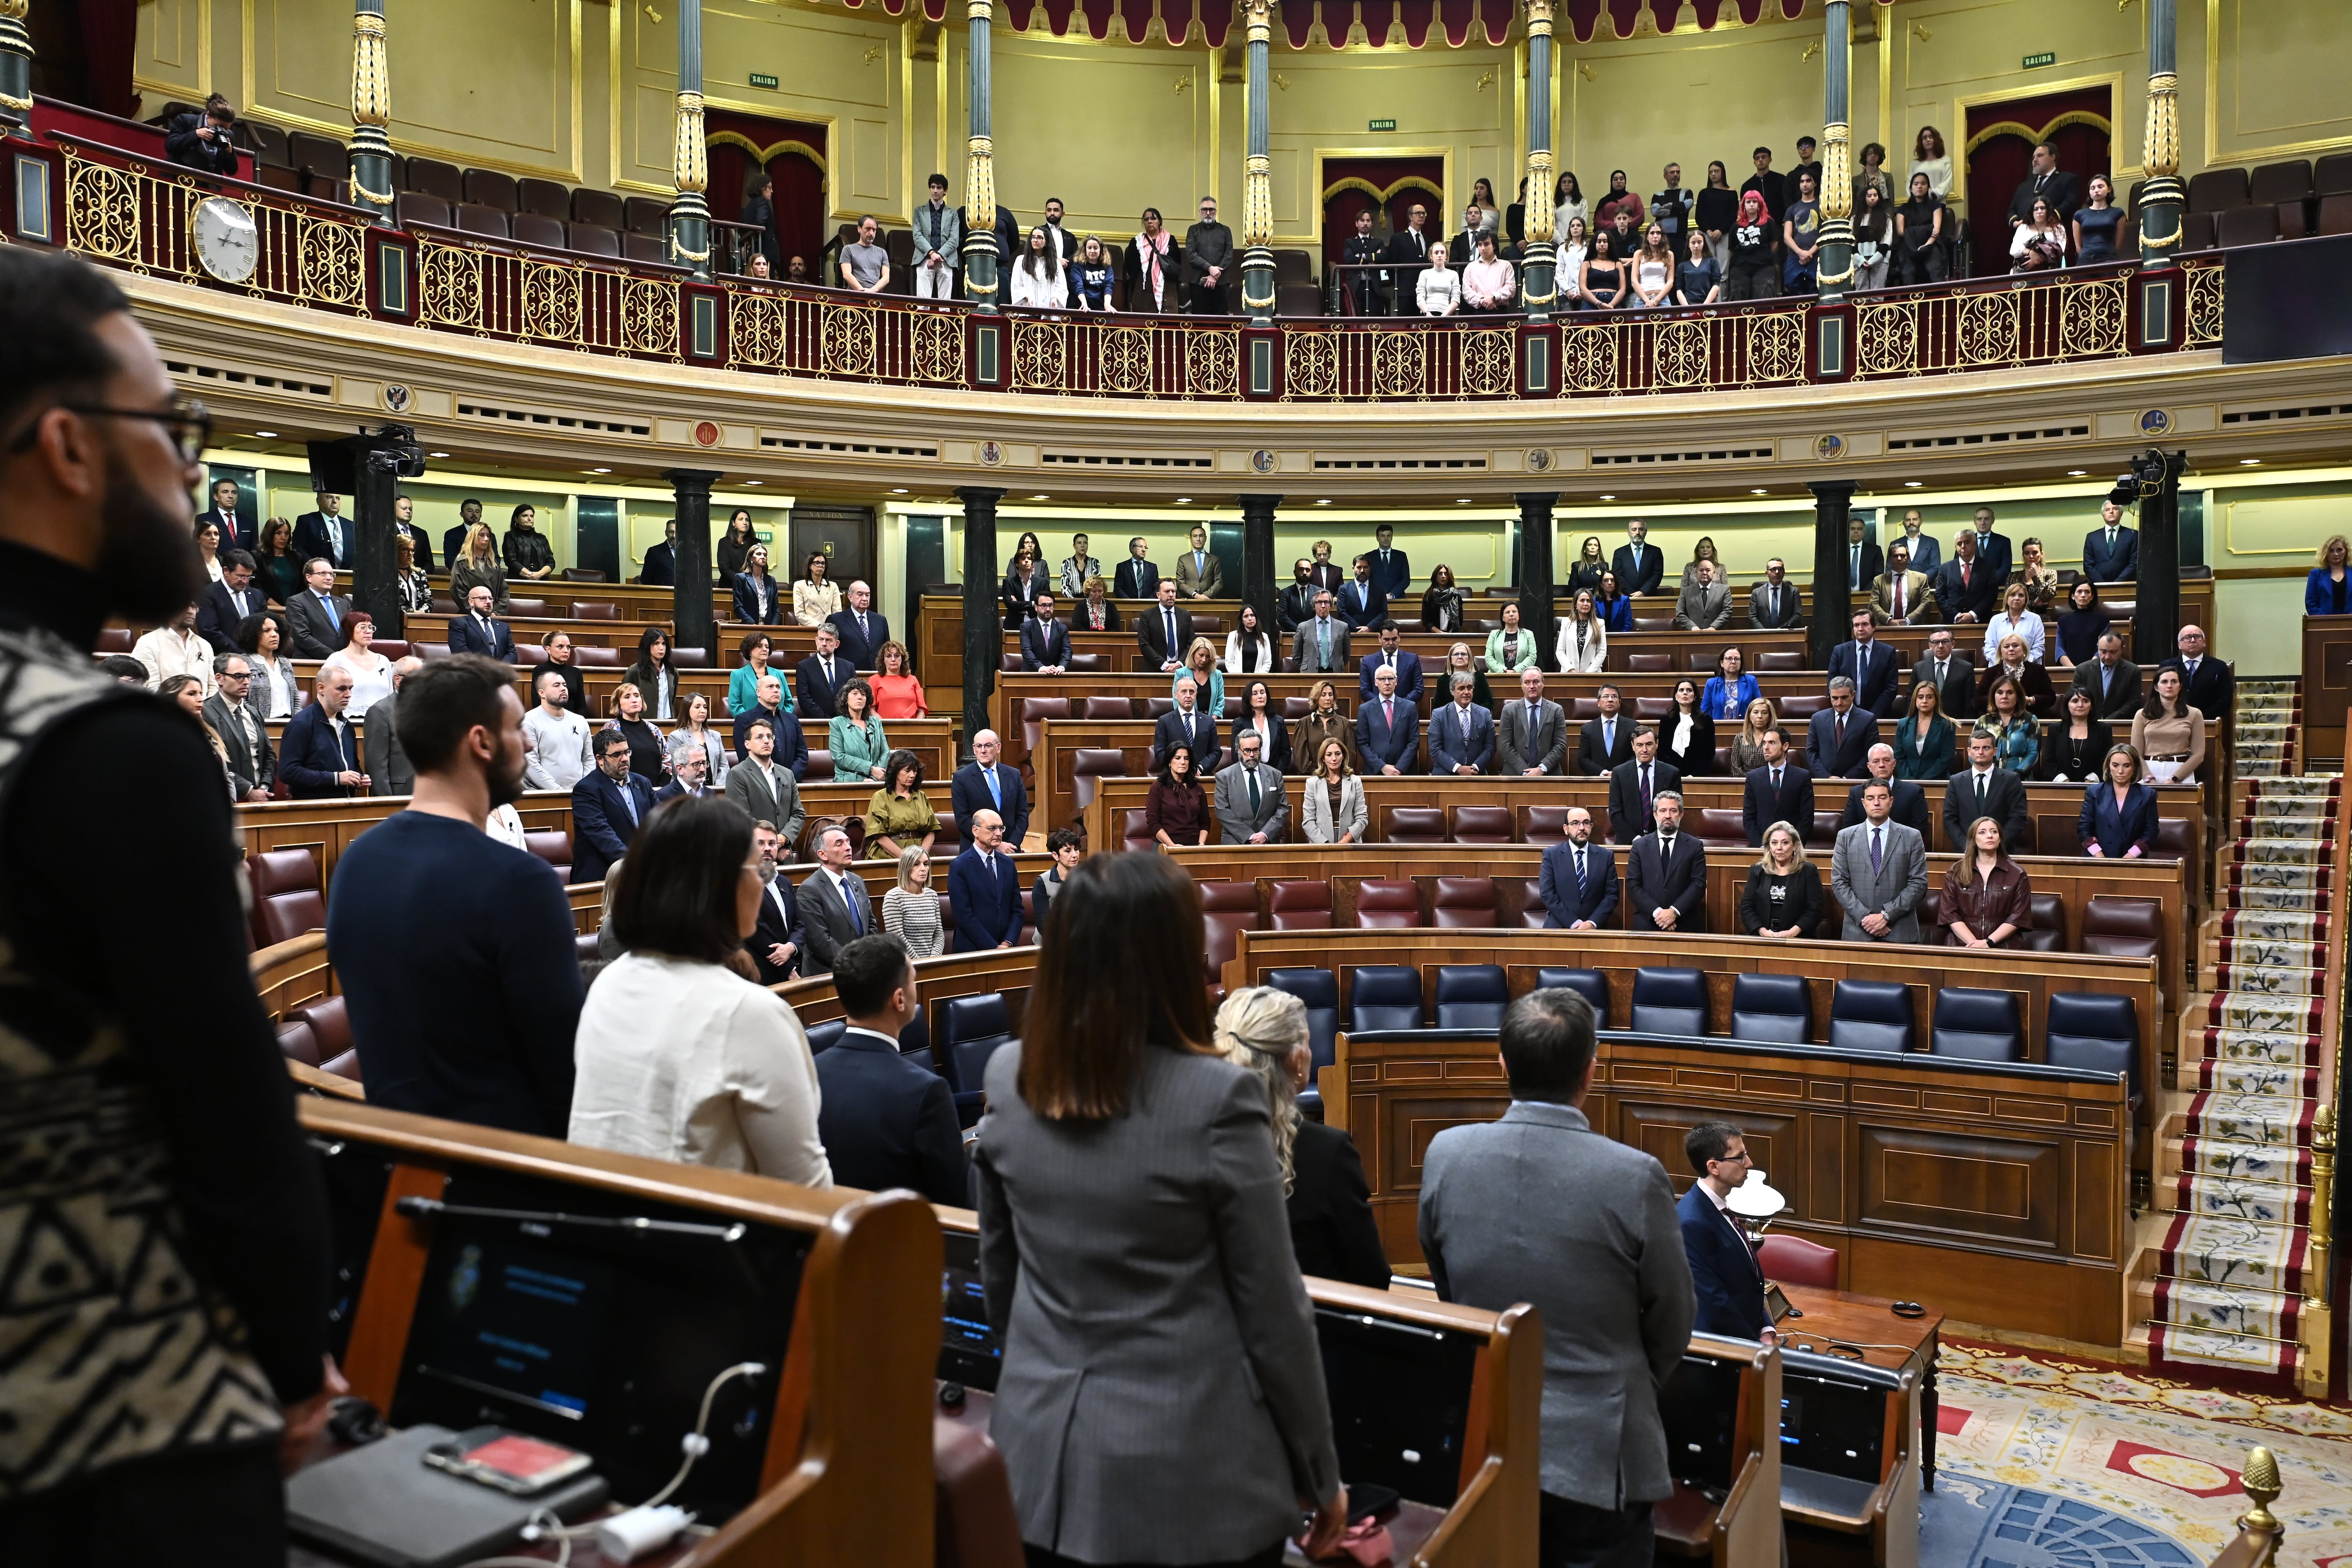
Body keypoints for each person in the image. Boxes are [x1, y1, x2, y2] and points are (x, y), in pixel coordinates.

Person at [0, 249, 347, 1566]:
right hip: (113, 1441)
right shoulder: (112, 748)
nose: (194, 475)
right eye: (173, 428)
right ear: (69, 446)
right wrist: (291, 1351)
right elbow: (230, 1121)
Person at [976, 854, 1346, 1565]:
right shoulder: (1219, 1100)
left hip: (1039, 1465)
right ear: (1178, 959)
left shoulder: (1009, 1077)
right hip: (1191, 1479)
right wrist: (1321, 1471)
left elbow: (1003, 1282)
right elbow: (1273, 1311)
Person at [1418, 987, 1693, 1568]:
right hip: (1600, 1452)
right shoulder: (1635, 1176)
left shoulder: (1445, 1153)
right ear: (1592, 1071)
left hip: (1484, 1437)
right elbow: (1674, 1318)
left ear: (1501, 1063)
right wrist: (1625, 1379)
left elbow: (1446, 1286)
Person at [329, 650, 583, 1130]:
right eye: (515, 729)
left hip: (398, 1163)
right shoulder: (519, 882)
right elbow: (564, 1071)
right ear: (482, 742)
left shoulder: (356, 862)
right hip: (506, 1174)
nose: (527, 744)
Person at [569, 793, 831, 1183]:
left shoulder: (608, 984)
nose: (763, 883)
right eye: (757, 870)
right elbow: (805, 1186)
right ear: (721, 885)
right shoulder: (750, 1013)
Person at [1214, 987, 1389, 1291]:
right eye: (1308, 1042)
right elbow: (1371, 1278)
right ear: (1297, 1059)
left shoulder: (1186, 1138)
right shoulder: (1327, 1153)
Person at [814, 934, 968, 1206]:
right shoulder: (926, 1091)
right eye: (913, 981)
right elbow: (954, 1202)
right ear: (900, 1000)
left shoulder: (811, 1072)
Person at [1678, 1122, 1771, 1338]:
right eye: (1740, 1157)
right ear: (1714, 1167)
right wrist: (1756, 1346)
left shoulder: (1720, 1208)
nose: (1749, 1163)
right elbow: (1715, 1302)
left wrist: (1766, 1328)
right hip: (1724, 1353)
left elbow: (1748, 1283)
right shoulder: (1691, 1222)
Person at [1831, 779, 1929, 942]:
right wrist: (1865, 918)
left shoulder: (1912, 837)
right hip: (1858, 932)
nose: (1876, 803)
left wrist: (1887, 916)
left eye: (1882, 798)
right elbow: (1839, 882)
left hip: (1900, 931)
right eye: (1870, 798)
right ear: (1863, 803)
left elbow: (1918, 883)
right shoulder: (1845, 837)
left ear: (1891, 801)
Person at [571, 727, 658, 884]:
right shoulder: (587, 790)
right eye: (616, 755)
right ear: (600, 759)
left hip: (640, 872)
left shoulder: (642, 783)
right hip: (603, 876)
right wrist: (637, 862)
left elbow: (660, 821)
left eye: (627, 752)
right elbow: (602, 834)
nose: (624, 759)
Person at [797, 824, 878, 975]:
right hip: (828, 974)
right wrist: (854, 964)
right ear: (823, 855)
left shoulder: (857, 881)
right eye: (839, 844)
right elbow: (820, 941)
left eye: (848, 842)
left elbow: (871, 924)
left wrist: (868, 958)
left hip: (862, 972)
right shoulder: (810, 889)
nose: (848, 847)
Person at [1939, 815, 2031, 948]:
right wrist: (1974, 944)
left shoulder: (2017, 874)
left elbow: (2017, 916)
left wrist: (1988, 942)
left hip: (2003, 947)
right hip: (1963, 946)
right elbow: (1950, 914)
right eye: (1982, 832)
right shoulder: (1956, 872)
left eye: (1994, 832)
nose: (1990, 836)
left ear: (2000, 839)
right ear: (1973, 839)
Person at [280, 663, 367, 798]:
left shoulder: (347, 725)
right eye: (342, 689)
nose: (349, 695)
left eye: (351, 689)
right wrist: (336, 778)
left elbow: (353, 766)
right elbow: (289, 772)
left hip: (347, 807)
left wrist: (359, 778)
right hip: (314, 809)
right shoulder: (301, 724)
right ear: (321, 688)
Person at [1628, 792, 1706, 933]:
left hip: (1684, 923)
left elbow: (1698, 884)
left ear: (1681, 814)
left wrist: (1674, 912)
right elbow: (1633, 885)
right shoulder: (1640, 846)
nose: (1668, 816)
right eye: (1663, 810)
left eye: (1673, 811)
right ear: (1655, 814)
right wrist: (1659, 914)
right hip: (1648, 922)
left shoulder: (1694, 846)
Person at [949, 808, 1024, 951]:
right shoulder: (960, 866)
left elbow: (1017, 910)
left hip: (1006, 950)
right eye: (992, 828)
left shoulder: (1008, 864)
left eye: (1001, 828)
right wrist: (993, 948)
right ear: (975, 831)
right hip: (972, 951)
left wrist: (1007, 943)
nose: (998, 834)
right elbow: (963, 915)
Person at [726, 714, 805, 846]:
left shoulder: (787, 774)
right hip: (755, 852)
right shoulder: (737, 774)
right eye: (760, 737)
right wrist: (770, 843)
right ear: (747, 744)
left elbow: (798, 813)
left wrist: (784, 839)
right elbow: (740, 818)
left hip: (785, 851)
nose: (766, 741)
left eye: (770, 737)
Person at [1945, 730, 2031, 852]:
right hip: (1965, 853)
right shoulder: (1956, 781)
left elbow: (2018, 818)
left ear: (1995, 751)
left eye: (1986, 748)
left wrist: (1997, 844)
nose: (1980, 752)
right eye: (1976, 748)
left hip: (2002, 852)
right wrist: (1968, 847)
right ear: (1969, 752)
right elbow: (1950, 819)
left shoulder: (2011, 780)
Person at [205, 653, 274, 801]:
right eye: (239, 676)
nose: (246, 682)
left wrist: (264, 786)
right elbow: (213, 762)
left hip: (262, 795)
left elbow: (269, 755)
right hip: (226, 797)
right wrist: (247, 790)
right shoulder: (206, 712)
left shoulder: (253, 712)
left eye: (249, 676)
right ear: (219, 679)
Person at [1535, 806, 1616, 930]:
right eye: (1575, 823)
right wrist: (1574, 923)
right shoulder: (1552, 855)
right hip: (1559, 930)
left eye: (1586, 823)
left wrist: (1592, 923)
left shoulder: (1606, 856)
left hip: (1596, 931)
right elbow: (1547, 894)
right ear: (1566, 829)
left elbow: (1612, 895)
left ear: (1591, 827)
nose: (1582, 828)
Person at [1739, 821, 1822, 938]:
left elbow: (1815, 910)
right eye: (1774, 843)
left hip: (1798, 939)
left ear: (1795, 845)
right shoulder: (1757, 871)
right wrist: (1762, 931)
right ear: (1769, 847)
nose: (1779, 848)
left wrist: (1793, 932)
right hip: (1762, 938)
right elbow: (1747, 907)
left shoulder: (1808, 871)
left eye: (1785, 843)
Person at [951, 728, 1031, 847]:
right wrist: (996, 845)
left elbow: (1022, 814)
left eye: (988, 746)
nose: (983, 751)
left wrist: (1012, 844)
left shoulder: (1013, 775)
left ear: (998, 747)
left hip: (1010, 850)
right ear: (974, 749)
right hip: (977, 851)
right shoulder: (961, 778)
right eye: (979, 746)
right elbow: (963, 819)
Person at [524, 669, 596, 794]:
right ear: (542, 693)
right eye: (556, 685)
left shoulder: (580, 721)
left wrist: (582, 789)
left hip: (581, 794)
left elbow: (589, 760)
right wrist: (558, 791)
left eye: (565, 685)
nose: (563, 689)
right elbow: (531, 764)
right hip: (545, 795)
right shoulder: (529, 722)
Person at [2081, 742, 2159, 858]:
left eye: (2126, 766)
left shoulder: (2148, 795)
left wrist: (2131, 855)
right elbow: (2084, 829)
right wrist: (2099, 856)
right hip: (2097, 859)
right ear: (2109, 767)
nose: (2120, 771)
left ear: (2135, 768)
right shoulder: (2094, 792)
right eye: (2115, 765)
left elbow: (2151, 832)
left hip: (2132, 861)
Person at [2131, 665, 2207, 784]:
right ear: (2156, 687)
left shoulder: (2194, 714)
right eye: (2164, 682)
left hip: (2182, 771)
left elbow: (2198, 754)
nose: (2169, 686)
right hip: (2149, 771)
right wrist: (2148, 778)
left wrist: (2176, 778)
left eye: (2174, 682)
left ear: (2180, 686)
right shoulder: (2142, 715)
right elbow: (2135, 752)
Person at [1215, 729, 1289, 845]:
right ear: (1238, 751)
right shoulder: (1224, 777)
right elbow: (1222, 811)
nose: (1252, 755)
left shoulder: (1275, 775)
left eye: (1256, 750)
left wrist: (1265, 834)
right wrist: (1249, 836)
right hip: (1235, 842)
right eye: (1247, 751)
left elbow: (1282, 808)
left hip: (1268, 842)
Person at [1741, 728, 1813, 848]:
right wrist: (1761, 846)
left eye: (1772, 743)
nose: (1766, 748)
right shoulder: (1753, 777)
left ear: (1785, 746)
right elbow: (1749, 818)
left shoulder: (1802, 777)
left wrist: (1793, 844)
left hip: (1792, 849)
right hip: (1761, 848)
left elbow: (1807, 818)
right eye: (1764, 743)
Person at [1609, 728, 1679, 846]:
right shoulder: (1619, 773)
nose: (1644, 750)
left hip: (1661, 842)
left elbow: (1674, 810)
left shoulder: (1671, 773)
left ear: (1657, 744)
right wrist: (1636, 839)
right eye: (1640, 745)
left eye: (1649, 744)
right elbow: (1615, 813)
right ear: (1633, 746)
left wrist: (1655, 840)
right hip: (1628, 842)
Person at [865, 749, 938, 860]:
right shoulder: (881, 797)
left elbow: (932, 830)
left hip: (920, 854)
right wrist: (905, 858)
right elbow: (878, 835)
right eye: (907, 771)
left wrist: (922, 855)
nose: (912, 775)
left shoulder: (921, 796)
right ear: (896, 772)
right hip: (889, 856)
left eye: (915, 771)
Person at [366, 655, 422, 796]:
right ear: (398, 680)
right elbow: (377, 766)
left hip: (429, 796)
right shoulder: (380, 711)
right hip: (398, 794)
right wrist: (385, 804)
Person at [1828, 609, 1899, 715]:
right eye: (1856, 625)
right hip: (1847, 714)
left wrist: (1872, 715)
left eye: (1865, 624)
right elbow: (1832, 683)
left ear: (1874, 627)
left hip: (1878, 715)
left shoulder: (1888, 652)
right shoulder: (1840, 652)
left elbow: (1891, 689)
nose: (1860, 629)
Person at [881, 844, 944, 959]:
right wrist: (919, 963)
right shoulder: (894, 897)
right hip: (906, 965)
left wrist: (933, 960)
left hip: (933, 964)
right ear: (906, 867)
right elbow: (897, 939)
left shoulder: (932, 895)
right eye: (916, 864)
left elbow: (939, 934)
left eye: (926, 864)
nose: (923, 869)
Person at [2040, 687, 2114, 784]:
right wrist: (2063, 780)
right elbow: (2048, 762)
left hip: (2096, 786)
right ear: (2067, 705)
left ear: (2091, 705)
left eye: (2085, 701)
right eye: (2075, 701)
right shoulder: (2055, 729)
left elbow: (2107, 760)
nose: (2080, 705)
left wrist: (2092, 779)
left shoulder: (2104, 730)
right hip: (2061, 787)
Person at [236, 609, 302, 719]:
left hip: (289, 724)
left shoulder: (285, 663)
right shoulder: (243, 663)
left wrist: (298, 722)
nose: (274, 635)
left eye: (276, 630)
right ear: (252, 635)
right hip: (257, 724)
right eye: (267, 631)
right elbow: (241, 700)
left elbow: (295, 699)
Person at [1355, 662, 1417, 777]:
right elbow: (1362, 743)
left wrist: (1400, 768)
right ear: (1376, 682)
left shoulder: (1410, 707)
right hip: (1376, 773)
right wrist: (1382, 767)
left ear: (1396, 682)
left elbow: (1414, 741)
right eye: (1382, 679)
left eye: (1390, 679)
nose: (1387, 683)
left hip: (1405, 773)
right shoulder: (1365, 709)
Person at [1808, 676, 1876, 779]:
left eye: (1844, 698)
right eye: (1835, 698)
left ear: (1853, 695)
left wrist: (1847, 778)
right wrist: (1827, 777)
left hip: (1856, 782)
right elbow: (1811, 752)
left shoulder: (1867, 719)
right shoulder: (1818, 719)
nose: (1839, 703)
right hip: (1823, 781)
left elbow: (1870, 754)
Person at [281, 554, 349, 659]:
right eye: (323, 574)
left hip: (344, 663)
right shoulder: (297, 602)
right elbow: (302, 636)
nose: (329, 578)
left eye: (331, 574)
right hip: (312, 662)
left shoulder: (344, 603)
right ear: (309, 577)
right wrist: (334, 657)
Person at [1428, 671, 1495, 776]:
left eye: (1470, 688)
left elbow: (1490, 747)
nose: (1467, 692)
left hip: (1477, 774)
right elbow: (1435, 749)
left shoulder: (1485, 714)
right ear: (1452, 691)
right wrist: (1458, 768)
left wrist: (1475, 767)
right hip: (1446, 774)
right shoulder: (1439, 714)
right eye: (1461, 688)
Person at [2161, 623, 2232, 720]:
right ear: (2179, 645)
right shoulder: (2167, 666)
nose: (2193, 640)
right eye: (2187, 638)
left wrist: (2201, 717)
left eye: (2197, 637)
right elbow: (2159, 694)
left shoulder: (2219, 667)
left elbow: (2225, 699)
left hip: (2208, 721)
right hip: (2173, 720)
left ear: (2204, 642)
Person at [1145, 742, 1209, 849]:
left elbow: (1205, 822)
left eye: (1186, 758)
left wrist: (1201, 845)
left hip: (1194, 849)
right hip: (1165, 847)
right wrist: (1173, 847)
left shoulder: (1198, 788)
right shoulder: (1158, 787)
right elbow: (1153, 822)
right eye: (1178, 758)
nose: (1183, 762)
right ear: (1169, 762)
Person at [2007, 141, 2082, 232]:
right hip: (2023, 235)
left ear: (2052, 157)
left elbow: (2070, 204)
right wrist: (2015, 222)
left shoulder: (2067, 179)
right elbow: (2012, 211)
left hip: (2052, 234)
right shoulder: (2023, 187)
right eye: (2034, 157)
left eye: (2040, 156)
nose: (2035, 160)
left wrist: (2048, 216)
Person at [1293, 680, 1359, 780]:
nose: (1328, 698)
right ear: (1316, 698)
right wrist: (1320, 775)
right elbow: (1301, 760)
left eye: (1331, 695)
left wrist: (1337, 775)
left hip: (1340, 779)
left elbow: (1351, 756)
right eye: (1323, 695)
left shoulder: (1345, 724)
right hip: (1312, 779)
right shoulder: (1304, 724)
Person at [1977, 673, 2042, 774]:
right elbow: (1975, 752)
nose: (2004, 697)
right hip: (1989, 777)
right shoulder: (1983, 722)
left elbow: (2033, 753)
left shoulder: (2030, 720)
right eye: (2000, 693)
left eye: (2010, 693)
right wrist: (1987, 773)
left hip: (2020, 778)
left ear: (2018, 697)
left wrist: (2016, 774)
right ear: (1994, 696)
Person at [912, 172, 962, 300]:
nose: (935, 191)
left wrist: (938, 255)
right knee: (923, 302)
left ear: (945, 191)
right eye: (933, 187)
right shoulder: (919, 211)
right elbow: (918, 236)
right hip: (924, 258)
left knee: (945, 305)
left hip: (946, 260)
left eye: (939, 188)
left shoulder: (953, 214)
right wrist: (931, 253)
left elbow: (954, 240)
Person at [1908, 627, 1977, 719]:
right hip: (1926, 720)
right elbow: (1911, 698)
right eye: (1936, 642)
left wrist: (1966, 726)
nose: (1940, 646)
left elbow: (1970, 702)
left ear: (1952, 644)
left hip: (1954, 722)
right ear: (1930, 646)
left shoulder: (1966, 668)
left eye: (1945, 642)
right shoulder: (1919, 668)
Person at [1894, 679, 1957, 780]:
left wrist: (1925, 781)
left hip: (1937, 781)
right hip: (1907, 781)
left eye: (1929, 697)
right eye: (1920, 697)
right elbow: (1899, 756)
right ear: (1915, 700)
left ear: (1936, 700)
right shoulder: (1903, 724)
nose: (1924, 701)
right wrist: (1909, 780)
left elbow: (1946, 758)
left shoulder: (1947, 725)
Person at [670, 690, 732, 789]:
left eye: (705, 707)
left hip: (714, 790)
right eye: (697, 707)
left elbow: (724, 766)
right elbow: (678, 769)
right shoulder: (677, 737)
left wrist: (718, 788)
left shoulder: (715, 736)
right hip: (688, 791)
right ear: (687, 710)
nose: (703, 711)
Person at [609, 681, 667, 783]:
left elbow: (666, 758)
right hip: (624, 789)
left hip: (655, 789)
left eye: (637, 696)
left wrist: (662, 786)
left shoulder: (653, 729)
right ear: (618, 704)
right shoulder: (612, 728)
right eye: (627, 697)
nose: (634, 700)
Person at [1894, 171, 1947, 285]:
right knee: (1908, 272)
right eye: (1916, 184)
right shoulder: (1903, 209)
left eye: (1923, 184)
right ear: (1911, 188)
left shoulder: (1936, 206)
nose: (1919, 187)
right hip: (1909, 245)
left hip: (1931, 244)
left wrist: (1928, 244)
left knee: (1935, 269)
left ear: (1928, 187)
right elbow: (1901, 232)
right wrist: (1926, 230)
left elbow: (1936, 229)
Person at [1724, 191, 1777, 300]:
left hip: (1763, 265)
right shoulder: (1735, 226)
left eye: (1754, 202)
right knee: (1738, 294)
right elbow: (1732, 249)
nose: (1752, 205)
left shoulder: (1769, 222)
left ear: (1760, 204)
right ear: (1744, 205)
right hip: (1740, 266)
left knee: (1763, 294)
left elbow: (1774, 245)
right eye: (1748, 202)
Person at [1657, 677, 1715, 778]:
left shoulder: (1706, 720)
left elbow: (1708, 753)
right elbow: (1662, 752)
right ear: (1676, 696)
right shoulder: (1666, 720)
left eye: (1689, 690)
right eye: (1681, 690)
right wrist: (1671, 775)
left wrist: (1695, 775)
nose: (1685, 693)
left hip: (1697, 777)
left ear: (1695, 696)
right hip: (1670, 776)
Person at [1575, 682, 1637, 778]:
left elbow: (1636, 755)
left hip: (1625, 779)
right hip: (1597, 781)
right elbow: (1583, 759)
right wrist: (1602, 773)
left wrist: (1618, 773)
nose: (1610, 700)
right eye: (1606, 697)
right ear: (1598, 703)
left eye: (1614, 696)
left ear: (1620, 702)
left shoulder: (1632, 726)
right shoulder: (1588, 729)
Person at [1124, 205, 1178, 311]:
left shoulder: (1170, 240)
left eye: (1153, 218)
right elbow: (1129, 266)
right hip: (1143, 286)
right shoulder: (1136, 242)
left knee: (1166, 322)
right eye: (1146, 219)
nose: (1150, 221)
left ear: (1160, 221)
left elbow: (1177, 262)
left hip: (1167, 285)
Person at [828, 579, 890, 670]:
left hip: (876, 674)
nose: (865, 599)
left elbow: (887, 648)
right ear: (850, 597)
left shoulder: (880, 621)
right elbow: (830, 650)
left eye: (867, 595)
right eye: (860, 594)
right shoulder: (836, 620)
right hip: (848, 674)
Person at [446, 581, 515, 661]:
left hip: (500, 672)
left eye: (490, 598)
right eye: (483, 598)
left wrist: (500, 668)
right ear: (471, 602)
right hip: (473, 672)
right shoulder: (459, 624)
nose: (488, 602)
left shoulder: (503, 627)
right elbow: (460, 652)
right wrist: (485, 669)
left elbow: (512, 653)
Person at [1138, 578, 1196, 672]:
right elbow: (1145, 645)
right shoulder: (1147, 616)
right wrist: (1164, 665)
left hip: (1182, 670)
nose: (1171, 595)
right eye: (1167, 592)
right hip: (1155, 669)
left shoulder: (1185, 615)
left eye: (1173, 592)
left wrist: (1179, 664)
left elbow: (1191, 643)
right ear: (1158, 595)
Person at [449, 522, 508, 612]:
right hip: (470, 614)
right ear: (473, 538)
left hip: (493, 615)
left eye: (488, 536)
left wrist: (496, 612)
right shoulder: (462, 563)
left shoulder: (494, 564)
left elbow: (504, 591)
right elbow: (458, 592)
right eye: (482, 535)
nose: (486, 539)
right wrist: (477, 612)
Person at [2054, 580, 2112, 669]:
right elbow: (2060, 651)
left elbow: (2102, 649)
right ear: (2073, 596)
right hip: (2070, 670)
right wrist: (2073, 670)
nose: (2083, 595)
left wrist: (2087, 669)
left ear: (2092, 596)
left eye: (2087, 592)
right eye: (2080, 592)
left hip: (2095, 670)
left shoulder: (2102, 620)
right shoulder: (2063, 621)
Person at [1983, 581, 2046, 665]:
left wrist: (2022, 661)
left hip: (2028, 668)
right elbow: (1989, 648)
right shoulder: (1995, 620)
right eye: (2013, 595)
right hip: (1999, 668)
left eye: (2021, 595)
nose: (2017, 598)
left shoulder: (2035, 619)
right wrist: (2004, 661)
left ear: (2026, 600)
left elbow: (2039, 647)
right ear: (2007, 599)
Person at [1872, 541, 1932, 627]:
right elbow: (1873, 604)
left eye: (1903, 556)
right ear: (1890, 559)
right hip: (1885, 627)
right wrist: (1888, 621)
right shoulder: (1879, 580)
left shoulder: (1921, 578)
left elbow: (1926, 602)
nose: (1899, 559)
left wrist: (1909, 620)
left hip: (1913, 627)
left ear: (1908, 558)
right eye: (1895, 556)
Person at [1781, 172, 1822, 292]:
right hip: (1796, 256)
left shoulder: (1822, 208)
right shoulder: (1792, 209)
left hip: (1817, 256)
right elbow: (1787, 237)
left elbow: (1825, 234)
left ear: (1815, 183)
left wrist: (1810, 253)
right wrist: (1801, 253)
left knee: (1816, 288)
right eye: (1802, 181)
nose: (1805, 184)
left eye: (1808, 181)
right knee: (1793, 287)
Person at [291, 489, 350, 571]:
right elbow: (298, 547)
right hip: (317, 574)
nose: (335, 502)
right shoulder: (307, 521)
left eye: (338, 498)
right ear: (319, 501)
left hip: (347, 577)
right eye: (329, 497)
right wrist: (314, 567)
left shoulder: (351, 525)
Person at [869, 638, 928, 718]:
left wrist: (916, 727)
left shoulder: (913, 680)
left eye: (897, 656)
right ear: (883, 660)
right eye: (889, 656)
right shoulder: (874, 680)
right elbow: (871, 710)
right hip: (883, 727)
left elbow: (922, 710)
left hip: (911, 728)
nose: (893, 659)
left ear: (902, 659)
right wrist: (884, 726)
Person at [1008, 225, 1064, 309]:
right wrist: (1027, 297)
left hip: (1049, 310)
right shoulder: (1021, 261)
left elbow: (1061, 287)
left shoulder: (1056, 263)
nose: (1035, 240)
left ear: (1047, 242)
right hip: (1027, 309)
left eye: (1040, 238)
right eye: (1033, 237)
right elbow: (1016, 285)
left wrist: (1055, 299)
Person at [538, 629, 591, 715]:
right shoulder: (540, 671)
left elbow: (581, 705)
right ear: (548, 650)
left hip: (573, 723)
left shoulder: (576, 672)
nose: (566, 651)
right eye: (560, 647)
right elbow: (538, 703)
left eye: (568, 647)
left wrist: (577, 722)